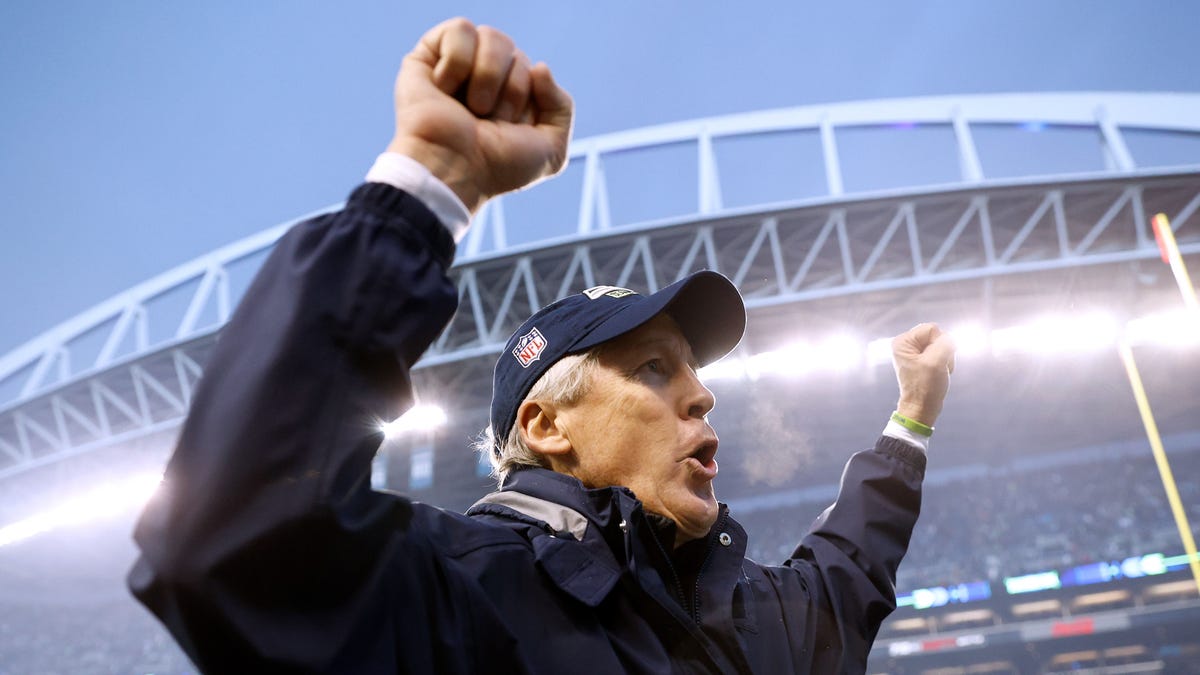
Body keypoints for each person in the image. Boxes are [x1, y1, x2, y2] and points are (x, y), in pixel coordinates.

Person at [129, 17, 955, 674]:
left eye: (696, 372)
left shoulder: (754, 611)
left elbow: (850, 570)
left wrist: (910, 420)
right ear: (549, 427)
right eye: (654, 368)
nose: (702, 395)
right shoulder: (463, 595)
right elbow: (237, 534)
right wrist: (425, 185)